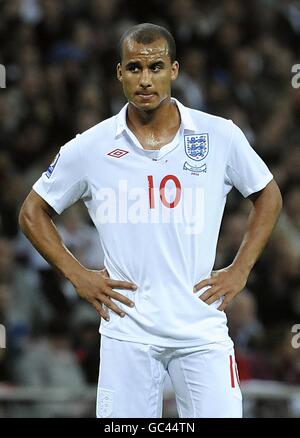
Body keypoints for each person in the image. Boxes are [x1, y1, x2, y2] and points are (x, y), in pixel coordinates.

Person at [19, 23, 282, 418]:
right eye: (135, 68)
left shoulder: (218, 135)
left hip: (200, 328)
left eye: (156, 67)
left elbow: (268, 194)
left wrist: (240, 269)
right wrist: (78, 275)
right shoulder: (91, 146)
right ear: (120, 73)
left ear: (174, 70)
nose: (145, 80)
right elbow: (31, 211)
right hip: (128, 331)